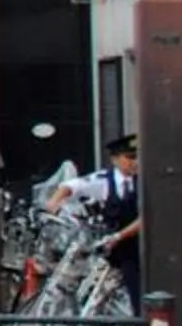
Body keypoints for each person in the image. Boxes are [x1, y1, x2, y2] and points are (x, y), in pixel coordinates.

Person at [47, 134, 143, 314]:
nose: (134, 162)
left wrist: (119, 236)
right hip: (110, 244)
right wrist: (54, 203)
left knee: (136, 290)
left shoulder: (143, 182)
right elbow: (71, 186)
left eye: (136, 157)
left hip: (136, 246)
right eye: (129, 158)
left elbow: (146, 218)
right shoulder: (104, 180)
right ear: (115, 159)